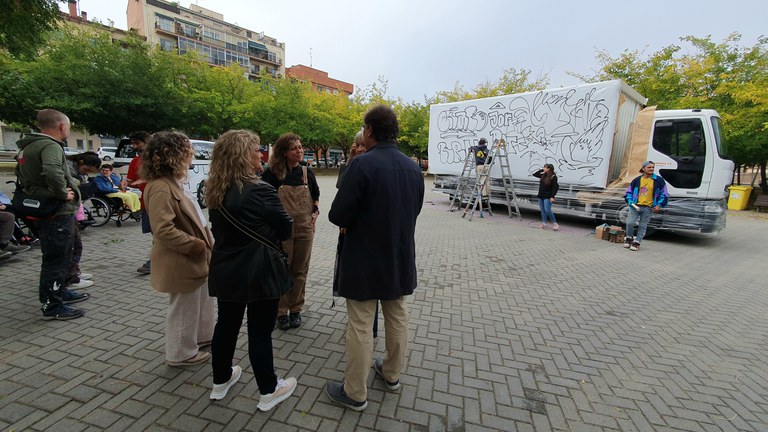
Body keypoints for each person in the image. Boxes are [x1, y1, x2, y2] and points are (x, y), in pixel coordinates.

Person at [325, 104, 425, 411]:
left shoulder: (362, 165)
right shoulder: (413, 168)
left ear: (369, 131)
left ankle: (355, 392)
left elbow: (338, 214)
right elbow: (416, 210)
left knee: (360, 323)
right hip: (398, 258)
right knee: (397, 317)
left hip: (364, 261)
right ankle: (392, 374)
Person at [205, 129, 298, 410]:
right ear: (243, 156)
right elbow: (286, 228)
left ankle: (220, 381)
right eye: (256, 150)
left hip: (226, 267)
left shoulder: (215, 187)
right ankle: (268, 389)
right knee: (259, 330)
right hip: (259, 270)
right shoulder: (259, 189)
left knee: (227, 324)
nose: (260, 155)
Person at [142, 131, 215, 366]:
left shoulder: (172, 182)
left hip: (193, 256)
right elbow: (163, 230)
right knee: (184, 306)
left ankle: (201, 338)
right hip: (182, 257)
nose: (191, 158)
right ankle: (181, 354)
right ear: (174, 155)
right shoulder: (162, 187)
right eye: (188, 152)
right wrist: (195, 245)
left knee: (199, 299)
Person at [15, 109, 90, 320]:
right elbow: (52, 171)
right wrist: (61, 193)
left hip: (42, 208)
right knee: (57, 258)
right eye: (68, 126)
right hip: (55, 211)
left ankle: (60, 291)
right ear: (61, 126)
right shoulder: (49, 146)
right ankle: (52, 306)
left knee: (59, 255)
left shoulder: (28, 146)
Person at [261, 133, 320, 331]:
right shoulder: (271, 174)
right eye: (294, 148)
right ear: (284, 152)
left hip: (304, 229)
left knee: (300, 271)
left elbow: (316, 196)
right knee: (282, 270)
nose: (300, 150)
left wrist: (315, 212)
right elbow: (264, 202)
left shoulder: (306, 173)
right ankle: (281, 312)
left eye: (301, 147)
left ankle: (296, 309)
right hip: (281, 232)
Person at [64, 151, 102, 289]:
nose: (86, 174)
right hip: (64, 211)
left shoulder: (77, 171)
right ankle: (70, 278)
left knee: (76, 245)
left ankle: (74, 272)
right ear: (81, 162)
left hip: (71, 211)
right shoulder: (67, 168)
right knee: (72, 246)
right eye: (86, 170)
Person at [624, 161, 669, 251]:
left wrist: (659, 205)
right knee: (630, 223)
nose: (651, 169)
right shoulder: (637, 180)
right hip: (635, 206)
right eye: (649, 167)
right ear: (643, 168)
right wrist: (630, 201)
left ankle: (637, 242)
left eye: (653, 167)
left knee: (643, 225)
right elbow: (628, 192)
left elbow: (664, 194)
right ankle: (629, 238)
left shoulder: (658, 180)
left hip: (648, 208)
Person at [126, 131, 152, 275]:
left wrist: (146, 180)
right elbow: (131, 180)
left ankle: (154, 263)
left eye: (137, 143)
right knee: (156, 235)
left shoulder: (158, 159)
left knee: (160, 234)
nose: (134, 147)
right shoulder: (135, 161)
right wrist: (125, 183)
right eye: (133, 144)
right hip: (146, 203)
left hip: (160, 202)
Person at [532, 163, 560, 230]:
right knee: (543, 210)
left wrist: (552, 196)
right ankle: (544, 223)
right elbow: (534, 174)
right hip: (541, 195)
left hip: (548, 196)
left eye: (545, 167)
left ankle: (555, 224)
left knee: (547, 209)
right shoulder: (543, 175)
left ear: (549, 168)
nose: (543, 168)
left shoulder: (553, 177)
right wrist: (542, 170)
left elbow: (555, 187)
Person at [475, 138, 491, 203]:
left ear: (479, 143)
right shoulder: (487, 150)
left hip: (480, 166)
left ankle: (484, 195)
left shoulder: (475, 149)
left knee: (482, 180)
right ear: (484, 144)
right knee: (487, 181)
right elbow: (490, 159)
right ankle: (487, 194)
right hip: (487, 166)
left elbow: (470, 149)